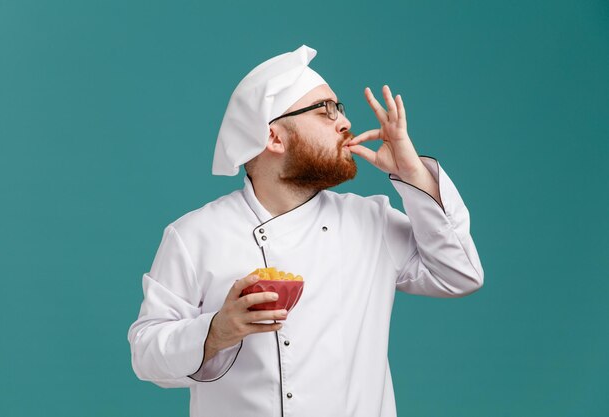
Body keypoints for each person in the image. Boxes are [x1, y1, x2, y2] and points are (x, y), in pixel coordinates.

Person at [127, 44, 484, 417]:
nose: (344, 122)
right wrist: (216, 331)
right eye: (324, 111)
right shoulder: (195, 235)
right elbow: (145, 355)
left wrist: (413, 175)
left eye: (339, 108)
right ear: (274, 138)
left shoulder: (371, 220)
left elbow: (460, 274)